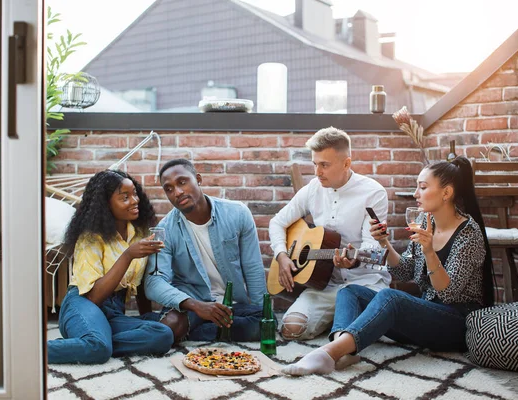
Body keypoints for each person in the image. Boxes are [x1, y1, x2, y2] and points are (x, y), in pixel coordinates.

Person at [282, 156, 495, 375]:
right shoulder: (425, 221)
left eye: (422, 187)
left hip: (455, 324)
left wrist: (429, 251)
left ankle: (326, 354)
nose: (415, 194)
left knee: (390, 297)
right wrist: (384, 242)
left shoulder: (469, 233)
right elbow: (403, 271)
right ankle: (343, 351)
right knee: (350, 292)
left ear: (446, 193)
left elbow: (448, 294)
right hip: (426, 313)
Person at [269, 126, 390, 341]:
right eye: (315, 164)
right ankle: (340, 321)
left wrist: (353, 262)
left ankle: (344, 323)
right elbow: (277, 222)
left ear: (346, 163)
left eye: (324, 165)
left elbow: (375, 249)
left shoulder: (373, 193)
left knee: (355, 334)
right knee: (291, 329)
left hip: (364, 283)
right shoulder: (312, 189)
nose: (317, 172)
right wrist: (282, 255)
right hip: (326, 285)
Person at [47, 170, 174, 364]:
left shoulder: (139, 232)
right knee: (99, 348)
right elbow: (93, 297)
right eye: (125, 197)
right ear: (106, 205)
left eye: (134, 194)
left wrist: (145, 316)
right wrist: (128, 255)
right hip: (82, 305)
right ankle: (33, 350)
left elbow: (139, 285)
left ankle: (87, 343)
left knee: (163, 334)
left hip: (114, 312)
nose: (134, 200)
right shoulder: (90, 238)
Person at [144, 159, 266, 342]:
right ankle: (207, 329)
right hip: (192, 304)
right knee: (171, 326)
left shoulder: (237, 213)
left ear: (198, 179)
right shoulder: (165, 229)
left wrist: (259, 310)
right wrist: (195, 305)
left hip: (230, 304)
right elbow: (153, 282)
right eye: (169, 189)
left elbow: (253, 268)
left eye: (182, 182)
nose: (177, 192)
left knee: (263, 325)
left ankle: (199, 332)